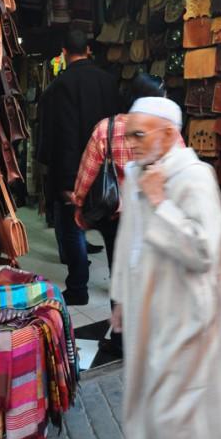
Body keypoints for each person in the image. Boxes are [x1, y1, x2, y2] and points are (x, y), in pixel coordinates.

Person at [110, 96, 221, 439]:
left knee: (180, 413)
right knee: (150, 400)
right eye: (128, 136)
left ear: (170, 134)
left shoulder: (194, 178)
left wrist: (161, 203)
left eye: (139, 135)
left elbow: (204, 251)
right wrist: (122, 297)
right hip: (147, 308)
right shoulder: (136, 174)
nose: (130, 144)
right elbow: (129, 241)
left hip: (186, 315)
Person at [73, 73, 169, 357]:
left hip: (118, 218)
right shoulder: (164, 130)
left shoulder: (107, 128)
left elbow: (87, 172)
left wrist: (79, 203)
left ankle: (121, 340)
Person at [37, 28, 119, 305]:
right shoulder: (109, 83)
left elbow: (53, 137)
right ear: (88, 50)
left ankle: (78, 288)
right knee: (112, 231)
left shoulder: (56, 89)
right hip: (108, 172)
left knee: (72, 230)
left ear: (63, 52)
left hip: (70, 171)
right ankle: (118, 291)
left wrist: (56, 176)